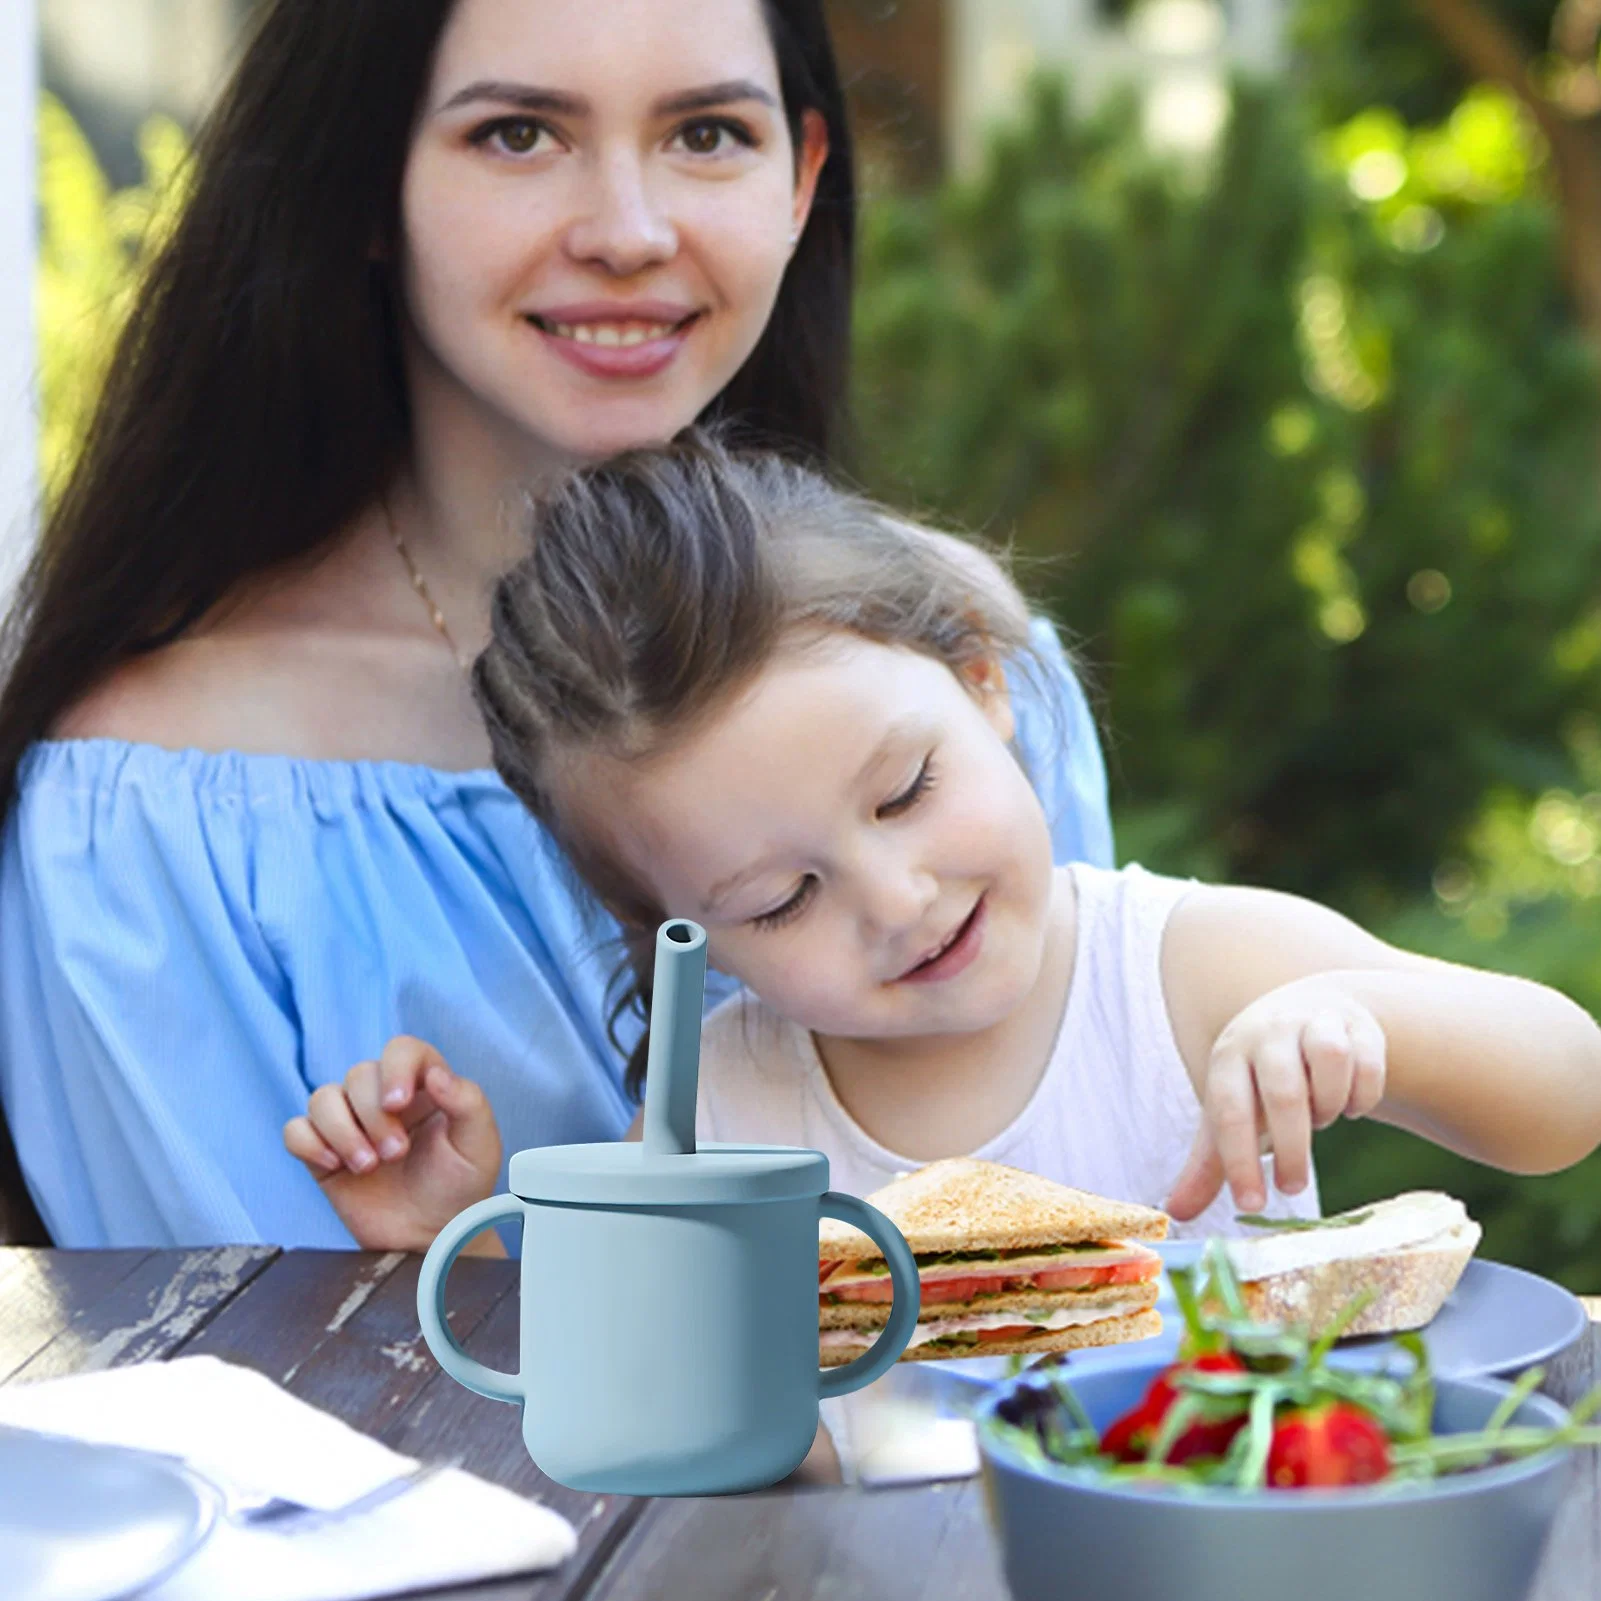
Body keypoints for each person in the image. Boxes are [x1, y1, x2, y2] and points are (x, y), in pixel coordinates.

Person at [0, 0, 1114, 1249]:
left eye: (705, 132)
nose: (629, 233)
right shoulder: (152, 815)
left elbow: (1093, 1202)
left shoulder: (957, 652)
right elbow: (224, 1400)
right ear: (361, 189)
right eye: (520, 134)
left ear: (801, 179)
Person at [286, 435, 1601, 1255]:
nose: (896, 899)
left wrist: (1353, 1020)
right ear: (683, 933)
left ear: (982, 685)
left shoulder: (1188, 973)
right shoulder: (732, 1101)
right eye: (780, 896)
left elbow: (1569, 1094)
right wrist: (456, 1234)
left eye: (906, 790)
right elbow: (652, 1374)